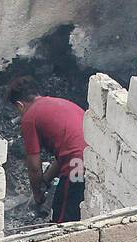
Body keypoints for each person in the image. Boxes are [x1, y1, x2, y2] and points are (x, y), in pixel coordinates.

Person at [5, 76, 87, 224]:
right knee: (71, 199)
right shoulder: (59, 103)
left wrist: (37, 194)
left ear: (20, 105)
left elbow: (34, 167)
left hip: (77, 164)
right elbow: (63, 155)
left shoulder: (30, 117)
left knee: (65, 216)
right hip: (93, 155)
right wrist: (45, 181)